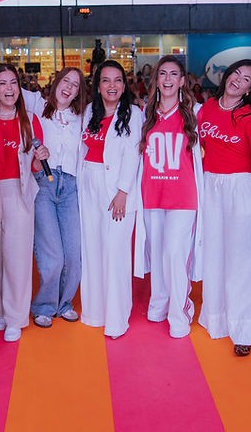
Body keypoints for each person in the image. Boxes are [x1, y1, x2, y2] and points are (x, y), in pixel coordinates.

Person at [0, 35, 87, 328]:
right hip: (40, 184)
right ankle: (41, 306)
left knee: (74, 254)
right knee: (47, 255)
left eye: (75, 85)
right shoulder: (36, 103)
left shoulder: (83, 116)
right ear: (56, 82)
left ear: (79, 92)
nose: (69, 88)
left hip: (70, 187)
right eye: (66, 81)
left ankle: (63, 303)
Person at [198, 59, 251, 356]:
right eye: (236, 73)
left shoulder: (250, 116)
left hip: (241, 188)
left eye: (246, 78)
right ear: (226, 76)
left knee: (242, 258)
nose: (238, 79)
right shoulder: (208, 107)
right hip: (210, 185)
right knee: (213, 254)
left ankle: (244, 329)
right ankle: (216, 319)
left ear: (250, 89)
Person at [134, 55, 204, 338]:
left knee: (175, 253)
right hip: (152, 195)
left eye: (173, 74)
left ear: (182, 81)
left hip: (183, 197)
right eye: (162, 73)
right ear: (156, 79)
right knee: (158, 252)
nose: (167, 79)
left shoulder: (195, 113)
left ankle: (179, 312)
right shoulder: (145, 114)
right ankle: (159, 302)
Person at [78, 60, 142, 339]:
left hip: (117, 189)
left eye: (117, 80)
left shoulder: (134, 114)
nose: (112, 85)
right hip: (89, 186)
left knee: (115, 253)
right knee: (92, 249)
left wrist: (123, 191)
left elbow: (133, 154)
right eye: (106, 80)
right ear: (98, 86)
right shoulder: (89, 112)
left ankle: (116, 319)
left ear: (124, 85)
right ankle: (95, 312)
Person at [0, 63, 45, 342]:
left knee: (17, 257)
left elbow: (34, 168)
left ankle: (16, 317)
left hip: (19, 191)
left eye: (13, 83)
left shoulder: (29, 120)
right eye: (3, 83)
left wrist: (39, 158)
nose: (9, 89)